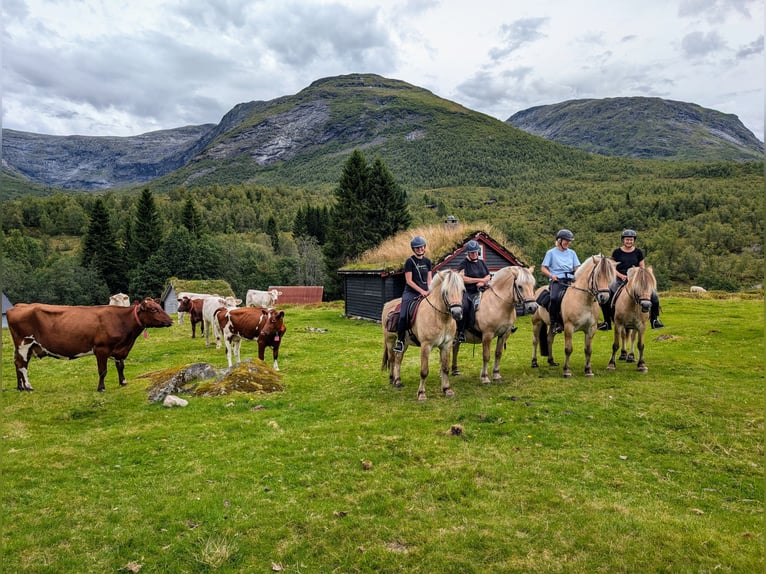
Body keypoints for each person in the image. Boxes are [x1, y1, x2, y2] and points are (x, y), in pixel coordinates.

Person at [599, 229, 664, 330]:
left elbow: (642, 267)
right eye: (627, 239)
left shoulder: (638, 252)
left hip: (635, 280)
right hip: (620, 279)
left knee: (654, 295)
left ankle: (654, 320)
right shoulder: (617, 252)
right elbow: (612, 267)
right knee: (608, 293)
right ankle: (607, 321)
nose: (629, 241)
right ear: (623, 240)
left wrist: (636, 277)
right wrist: (621, 275)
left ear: (634, 240)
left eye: (631, 240)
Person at [393, 236, 433, 353]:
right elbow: (409, 281)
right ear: (413, 249)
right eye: (417, 248)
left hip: (426, 292)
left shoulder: (428, 261)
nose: (420, 249)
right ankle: (400, 341)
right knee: (403, 315)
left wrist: (430, 290)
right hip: (411, 292)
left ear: (424, 247)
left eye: (421, 247)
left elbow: (429, 279)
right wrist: (421, 291)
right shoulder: (409, 262)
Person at [541, 229, 580, 334]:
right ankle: (554, 324)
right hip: (557, 280)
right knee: (554, 298)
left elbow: (577, 267)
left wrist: (577, 275)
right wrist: (551, 275)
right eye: (566, 240)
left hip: (570, 279)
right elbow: (543, 268)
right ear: (559, 240)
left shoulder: (572, 253)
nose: (568, 242)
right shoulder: (551, 253)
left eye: (569, 241)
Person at [456, 239, 491, 342]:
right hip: (468, 291)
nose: (474, 254)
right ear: (468, 252)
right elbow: (462, 278)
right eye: (472, 252)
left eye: (476, 251)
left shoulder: (481, 262)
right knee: (465, 306)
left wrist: (483, 282)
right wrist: (479, 280)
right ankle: (461, 332)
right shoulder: (463, 264)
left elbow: (488, 275)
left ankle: (502, 325)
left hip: (482, 290)